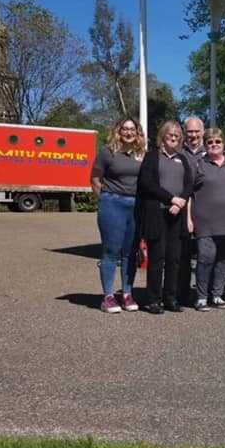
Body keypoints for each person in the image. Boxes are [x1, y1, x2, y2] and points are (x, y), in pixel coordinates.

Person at [136, 120, 195, 314]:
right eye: (170, 133)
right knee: (157, 258)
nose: (174, 136)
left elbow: (189, 184)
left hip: (177, 215)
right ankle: (153, 299)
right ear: (163, 135)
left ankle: (171, 297)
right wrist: (172, 199)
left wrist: (181, 203)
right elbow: (147, 183)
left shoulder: (183, 158)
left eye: (177, 134)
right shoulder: (153, 156)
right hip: (158, 213)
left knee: (174, 258)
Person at [90, 117, 145, 313]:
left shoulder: (142, 154)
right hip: (113, 203)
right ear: (118, 131)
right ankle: (108, 297)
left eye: (132, 129)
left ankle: (127, 294)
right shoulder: (107, 152)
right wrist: (104, 199)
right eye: (125, 129)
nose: (128, 133)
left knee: (130, 252)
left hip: (135, 206)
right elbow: (95, 178)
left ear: (137, 132)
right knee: (111, 250)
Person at [187, 127, 225, 312]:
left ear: (223, 143)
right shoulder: (198, 164)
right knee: (205, 258)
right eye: (210, 142)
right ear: (205, 144)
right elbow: (188, 194)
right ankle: (202, 297)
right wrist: (189, 218)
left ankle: (217, 295)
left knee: (224, 260)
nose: (214, 145)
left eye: (217, 141)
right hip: (205, 222)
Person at [178, 116, 206, 306]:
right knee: (183, 253)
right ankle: (182, 292)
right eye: (190, 131)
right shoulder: (179, 154)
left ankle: (204, 293)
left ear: (203, 132)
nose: (193, 135)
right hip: (183, 208)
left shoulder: (212, 151)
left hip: (207, 209)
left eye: (197, 131)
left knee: (206, 253)